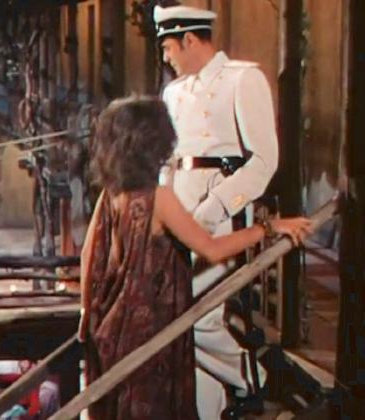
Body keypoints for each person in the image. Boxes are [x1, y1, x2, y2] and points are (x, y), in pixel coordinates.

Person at [78, 96, 311, 420]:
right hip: (151, 332)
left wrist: (87, 315)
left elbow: (89, 257)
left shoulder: (111, 195)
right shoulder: (159, 199)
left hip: (113, 328)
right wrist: (269, 228)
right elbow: (211, 248)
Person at [153, 4, 279, 417]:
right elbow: (167, 160)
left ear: (190, 39)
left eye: (169, 48)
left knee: (198, 317)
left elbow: (264, 162)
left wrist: (215, 207)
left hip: (222, 212)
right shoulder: (174, 92)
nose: (166, 58)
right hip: (178, 209)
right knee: (175, 310)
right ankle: (212, 408)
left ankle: (253, 379)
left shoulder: (243, 79)